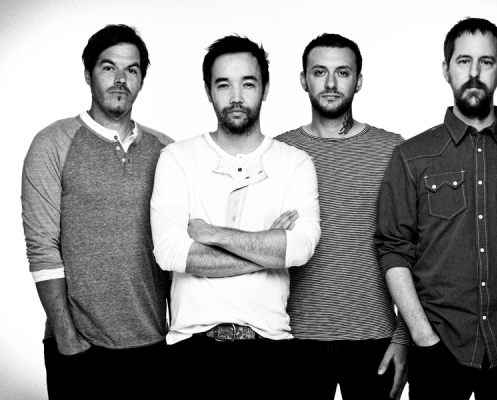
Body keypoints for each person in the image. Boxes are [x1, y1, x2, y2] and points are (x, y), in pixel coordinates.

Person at [375, 17, 497, 399]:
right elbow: (393, 250)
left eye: (486, 62)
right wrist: (423, 338)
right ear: (446, 69)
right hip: (436, 352)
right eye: (463, 61)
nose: (473, 73)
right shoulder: (412, 157)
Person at [150, 35, 320, 399]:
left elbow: (300, 248)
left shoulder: (295, 163)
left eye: (248, 83)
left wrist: (213, 234)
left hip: (271, 352)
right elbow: (170, 253)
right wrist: (266, 250)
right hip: (191, 353)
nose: (237, 96)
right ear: (209, 91)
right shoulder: (177, 158)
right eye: (224, 84)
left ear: (265, 89)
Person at [21, 24, 172, 399]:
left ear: (141, 80)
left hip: (155, 347)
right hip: (79, 349)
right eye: (109, 67)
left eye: (131, 70)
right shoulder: (52, 144)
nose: (121, 79)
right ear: (88, 74)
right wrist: (65, 336)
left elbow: (177, 247)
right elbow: (42, 247)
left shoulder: (167, 151)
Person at [277, 33, 410, 400]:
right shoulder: (279, 151)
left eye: (343, 72)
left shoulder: (392, 149)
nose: (331, 83)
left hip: (375, 336)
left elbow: (415, 246)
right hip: (294, 339)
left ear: (359, 81)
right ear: (303, 79)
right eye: (320, 72)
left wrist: (403, 336)